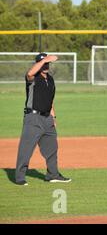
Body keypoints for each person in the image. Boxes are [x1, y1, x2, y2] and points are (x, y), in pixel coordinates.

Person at [15, 53, 71, 185]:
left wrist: (53, 116)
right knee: (26, 149)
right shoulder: (33, 78)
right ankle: (19, 178)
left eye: (47, 64)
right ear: (38, 64)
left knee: (52, 148)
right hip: (33, 118)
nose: (46, 66)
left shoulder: (50, 79)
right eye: (43, 63)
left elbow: (50, 101)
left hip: (47, 119)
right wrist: (45, 59)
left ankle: (53, 175)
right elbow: (29, 73)